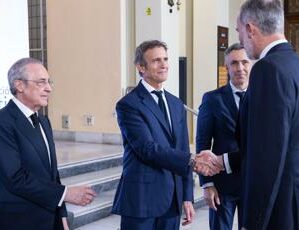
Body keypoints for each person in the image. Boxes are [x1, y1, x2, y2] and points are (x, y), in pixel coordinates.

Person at [232, 0, 299, 229]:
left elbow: (267, 155)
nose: (241, 41)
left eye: (239, 32)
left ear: (250, 29)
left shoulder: (268, 69)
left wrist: (253, 221)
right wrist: (223, 161)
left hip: (284, 209)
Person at [112, 40, 223, 230]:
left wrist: (187, 196)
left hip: (172, 200)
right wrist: (193, 161)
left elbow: (181, 148)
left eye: (165, 59)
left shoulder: (176, 104)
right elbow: (146, 148)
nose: (163, 64)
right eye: (156, 60)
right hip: (141, 199)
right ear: (140, 67)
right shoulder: (128, 104)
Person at [0, 58, 97, 230]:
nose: (49, 88)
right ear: (19, 85)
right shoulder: (3, 122)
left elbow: (52, 175)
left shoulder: (44, 121)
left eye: (49, 82)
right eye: (41, 82)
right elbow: (15, 178)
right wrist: (66, 194)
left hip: (50, 217)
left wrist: (62, 218)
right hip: (20, 220)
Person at [196, 43, 251, 230]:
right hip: (222, 184)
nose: (240, 68)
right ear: (226, 67)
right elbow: (202, 143)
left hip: (253, 181)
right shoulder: (212, 99)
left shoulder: (262, 98)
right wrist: (207, 183)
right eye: (234, 63)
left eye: (244, 62)